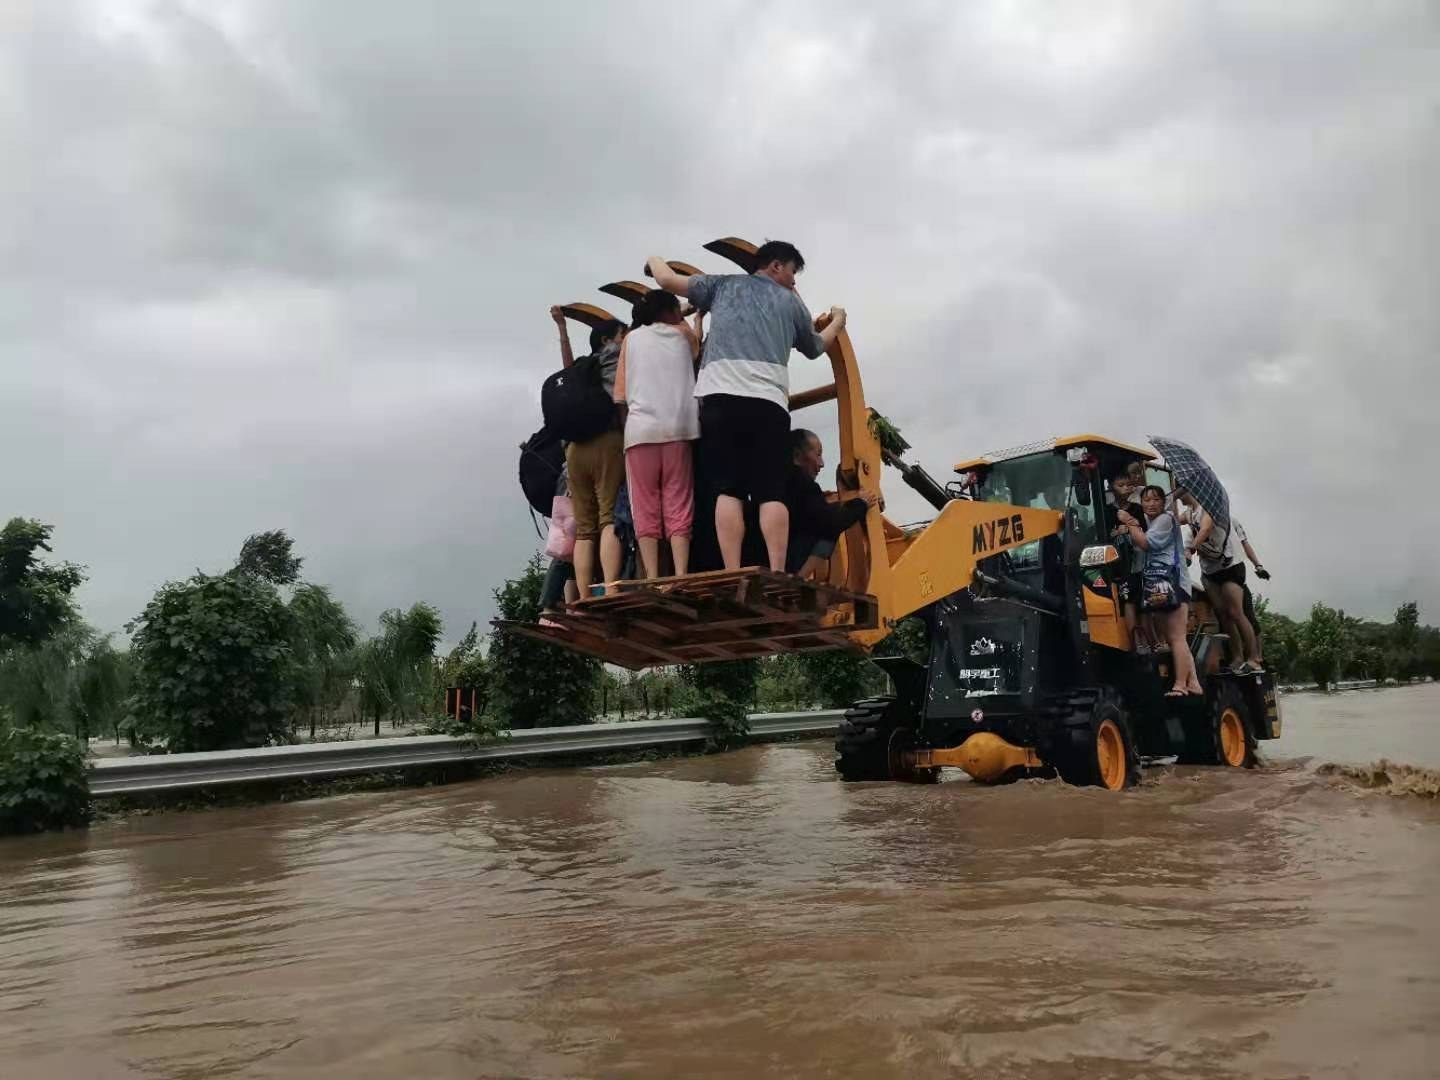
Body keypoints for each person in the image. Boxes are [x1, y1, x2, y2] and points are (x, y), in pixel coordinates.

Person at [646, 241, 848, 573]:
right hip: (768, 403)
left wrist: (653, 258)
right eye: (793, 272)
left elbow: (666, 280)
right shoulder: (791, 302)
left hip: (719, 399)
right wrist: (837, 320)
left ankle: (732, 569)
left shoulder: (722, 285)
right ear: (776, 266)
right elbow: (815, 347)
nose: (794, 281)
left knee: (728, 490)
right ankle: (778, 570)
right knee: (771, 492)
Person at [613, 290, 700, 578]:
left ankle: (652, 575)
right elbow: (696, 348)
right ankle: (681, 572)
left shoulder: (631, 340)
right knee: (679, 501)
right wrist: (689, 316)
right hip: (678, 431)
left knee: (644, 505)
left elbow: (620, 396)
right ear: (671, 311)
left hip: (640, 433)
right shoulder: (683, 336)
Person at [549, 306, 626, 597]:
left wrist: (562, 329)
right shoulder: (616, 359)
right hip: (606, 443)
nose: (626, 339)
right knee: (608, 518)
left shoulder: (582, 368)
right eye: (622, 335)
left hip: (574, 451)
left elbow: (565, 366)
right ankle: (611, 587)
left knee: (583, 528)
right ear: (607, 340)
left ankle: (583, 595)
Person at [1118, 486, 1203, 696]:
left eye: (1156, 499)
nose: (1151, 504)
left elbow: (1147, 543)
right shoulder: (1153, 521)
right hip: (1162, 583)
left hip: (1174, 583)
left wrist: (1129, 522)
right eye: (1147, 500)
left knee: (1177, 637)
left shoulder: (1165, 519)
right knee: (1174, 637)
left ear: (1164, 503)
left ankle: (1180, 685)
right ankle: (1193, 682)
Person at [1181, 494, 1263, 673]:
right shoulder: (1190, 517)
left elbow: (1207, 528)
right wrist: (1187, 553)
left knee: (1237, 612)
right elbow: (1182, 533)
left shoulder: (1216, 512)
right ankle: (1237, 657)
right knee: (1223, 616)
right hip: (1210, 572)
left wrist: (1258, 565)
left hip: (1230, 567)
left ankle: (1254, 658)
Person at [784, 429, 879, 576]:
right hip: (788, 564)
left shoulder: (773, 485)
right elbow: (830, 523)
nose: (822, 464)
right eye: (818, 455)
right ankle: (798, 578)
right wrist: (862, 503)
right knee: (829, 531)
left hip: (759, 558)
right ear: (797, 456)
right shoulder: (804, 486)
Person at [1106, 471, 1150, 651]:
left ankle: (1148, 641)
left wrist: (1129, 525)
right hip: (1119, 562)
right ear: (1112, 488)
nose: (1125, 488)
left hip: (1138, 559)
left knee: (1143, 601)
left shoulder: (1137, 508)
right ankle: (1135, 642)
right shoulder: (1107, 510)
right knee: (1128, 601)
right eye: (1120, 485)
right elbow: (1105, 534)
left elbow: (1144, 531)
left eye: (1128, 485)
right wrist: (1116, 532)